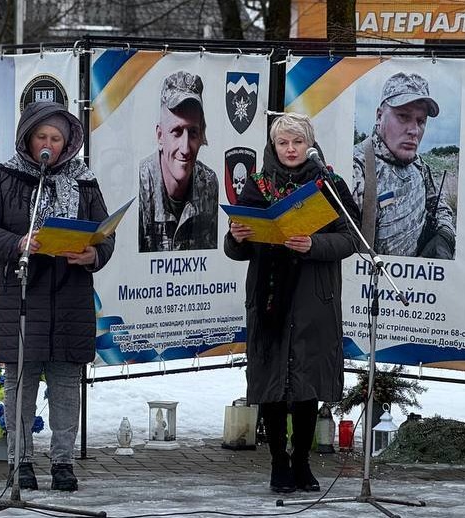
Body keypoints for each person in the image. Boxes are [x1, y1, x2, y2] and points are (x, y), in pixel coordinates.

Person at [0, 101, 114, 492]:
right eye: (41, 137)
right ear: (27, 138)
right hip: (21, 296)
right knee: (21, 384)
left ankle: (63, 463)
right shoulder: (5, 176)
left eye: (56, 138)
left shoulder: (85, 180)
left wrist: (94, 254)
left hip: (71, 297)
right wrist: (18, 242)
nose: (48, 144)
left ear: (68, 143)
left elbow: (105, 234)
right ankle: (20, 463)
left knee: (66, 384)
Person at [224, 113, 358, 494]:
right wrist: (237, 237)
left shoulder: (328, 185)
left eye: (297, 142)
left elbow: (351, 237)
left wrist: (314, 244)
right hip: (270, 300)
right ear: (274, 146)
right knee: (272, 382)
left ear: (309, 144)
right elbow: (235, 248)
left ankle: (301, 461)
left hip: (314, 300)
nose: (291, 149)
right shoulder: (258, 185)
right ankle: (278, 463)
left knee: (306, 384)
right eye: (283, 143)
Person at [351, 72, 455, 259]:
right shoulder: (357, 168)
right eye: (403, 117)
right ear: (379, 116)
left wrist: (444, 236)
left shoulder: (420, 166)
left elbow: (440, 208)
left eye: (421, 121)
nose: (414, 130)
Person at [138, 70, 219, 252]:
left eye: (193, 133)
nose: (185, 148)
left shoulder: (209, 183)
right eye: (176, 132)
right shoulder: (140, 184)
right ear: (160, 136)